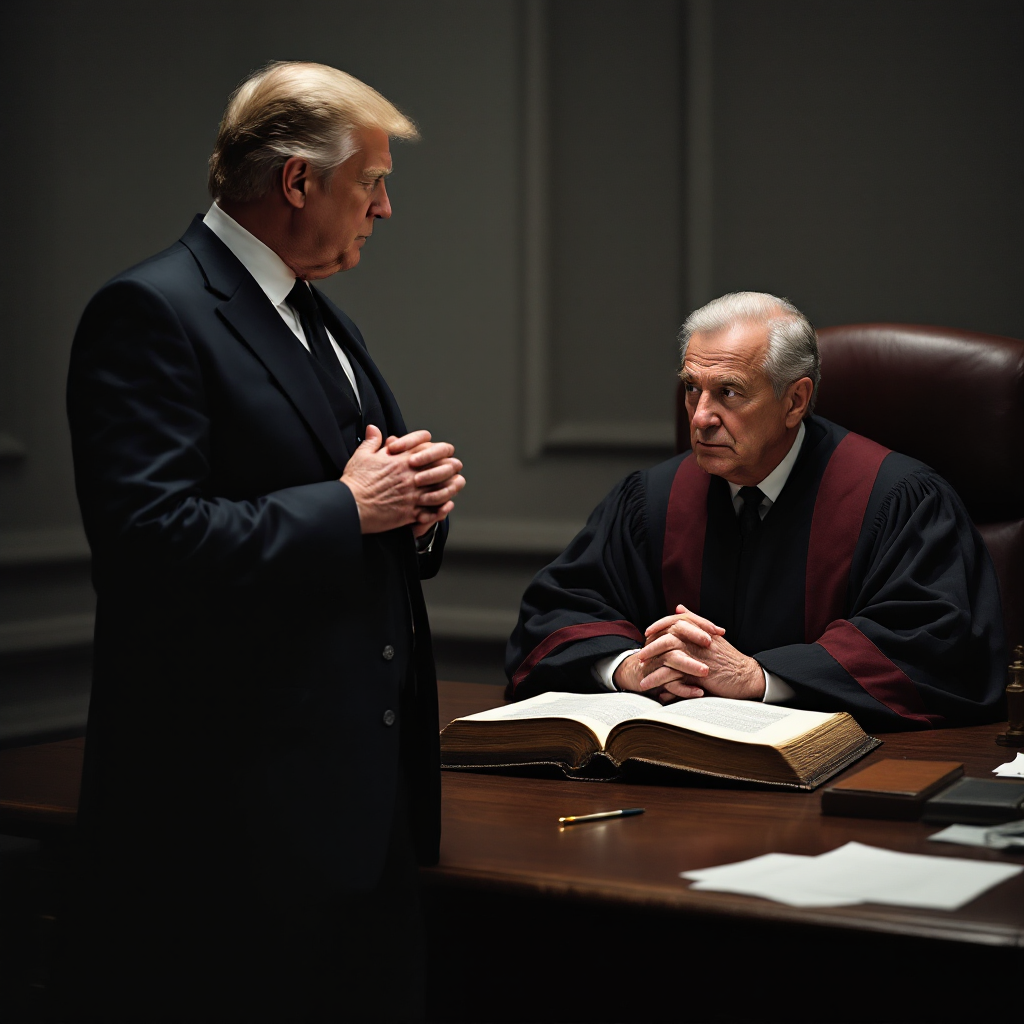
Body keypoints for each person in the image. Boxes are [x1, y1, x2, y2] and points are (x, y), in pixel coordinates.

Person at [62, 62, 464, 1021]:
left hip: (362, 817)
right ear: (298, 182)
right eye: (372, 181)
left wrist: (418, 508)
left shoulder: (323, 314)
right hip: (228, 829)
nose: (385, 208)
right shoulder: (149, 312)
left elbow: (364, 511)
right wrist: (349, 506)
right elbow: (145, 544)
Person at [506, 292, 1006, 731]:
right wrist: (630, 666)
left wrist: (759, 679)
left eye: (728, 392)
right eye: (690, 388)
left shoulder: (899, 500)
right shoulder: (651, 499)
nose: (700, 417)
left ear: (795, 402)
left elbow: (936, 646)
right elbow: (556, 614)